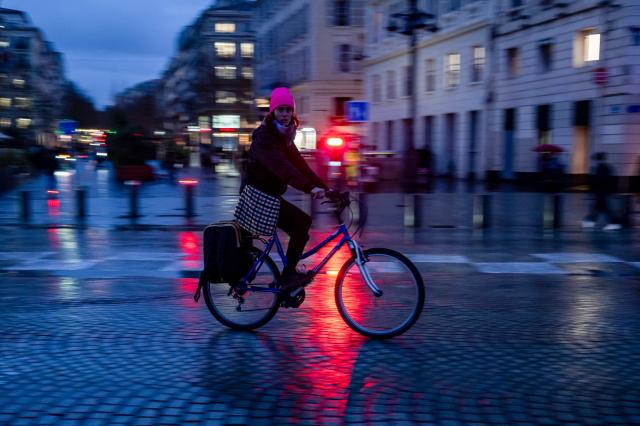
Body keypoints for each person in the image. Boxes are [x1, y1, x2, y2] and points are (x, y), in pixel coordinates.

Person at [244, 87, 329, 289]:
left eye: (288, 110)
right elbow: (284, 169)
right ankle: (287, 277)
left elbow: (300, 166)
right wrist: (310, 189)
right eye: (280, 109)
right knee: (301, 223)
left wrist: (326, 188)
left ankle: (287, 275)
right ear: (272, 111)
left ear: (293, 113)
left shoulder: (285, 137)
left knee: (301, 224)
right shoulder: (265, 138)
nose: (285, 114)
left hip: (269, 196)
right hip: (257, 196)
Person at [582, 152, 620, 230]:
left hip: (602, 191)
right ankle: (590, 220)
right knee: (599, 207)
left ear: (598, 160)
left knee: (603, 207)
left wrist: (592, 185)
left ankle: (614, 222)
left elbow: (599, 180)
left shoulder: (601, 168)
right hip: (602, 191)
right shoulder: (606, 167)